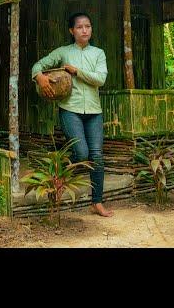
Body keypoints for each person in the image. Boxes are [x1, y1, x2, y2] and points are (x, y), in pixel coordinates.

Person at [31, 12, 114, 217]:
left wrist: (77, 72)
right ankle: (58, 169)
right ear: (71, 31)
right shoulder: (63, 52)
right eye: (79, 27)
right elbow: (38, 65)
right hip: (70, 110)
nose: (85, 30)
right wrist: (39, 77)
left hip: (94, 111)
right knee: (82, 154)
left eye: (88, 26)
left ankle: (97, 202)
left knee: (96, 156)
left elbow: (100, 79)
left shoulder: (98, 53)